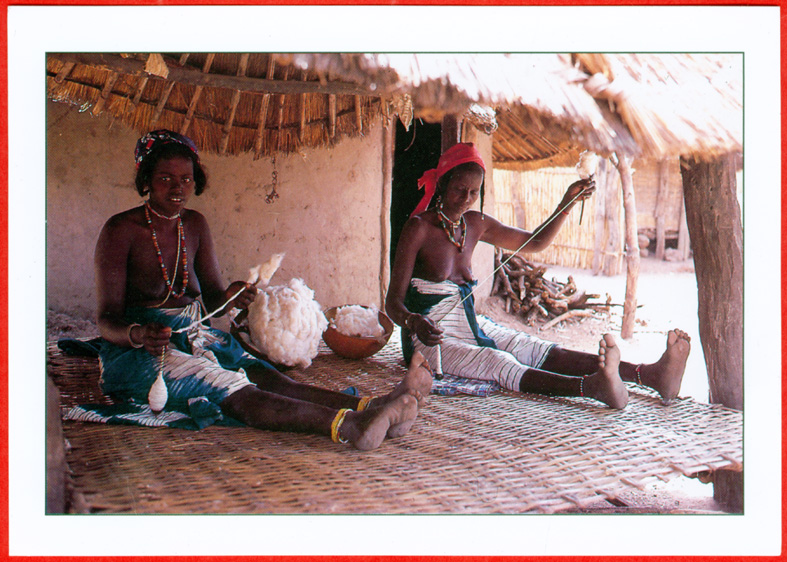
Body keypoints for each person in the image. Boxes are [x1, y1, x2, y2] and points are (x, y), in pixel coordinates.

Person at [94, 129, 432, 450]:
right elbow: (105, 320)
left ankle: (374, 405)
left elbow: (214, 300)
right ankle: (350, 427)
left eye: (185, 179)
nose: (177, 188)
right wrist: (139, 334)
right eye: (165, 178)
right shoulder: (121, 230)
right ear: (146, 180)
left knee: (272, 380)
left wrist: (233, 296)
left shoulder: (194, 225)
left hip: (196, 336)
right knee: (233, 388)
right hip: (141, 351)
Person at [385, 142, 691, 409]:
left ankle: (649, 375)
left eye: (474, 192)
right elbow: (393, 303)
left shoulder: (475, 223)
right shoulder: (419, 229)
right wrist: (414, 321)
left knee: (532, 346)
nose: (466, 198)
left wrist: (566, 204)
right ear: (442, 185)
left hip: (470, 325)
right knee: (498, 362)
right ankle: (592, 387)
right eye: (458, 190)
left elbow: (535, 242)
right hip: (429, 339)